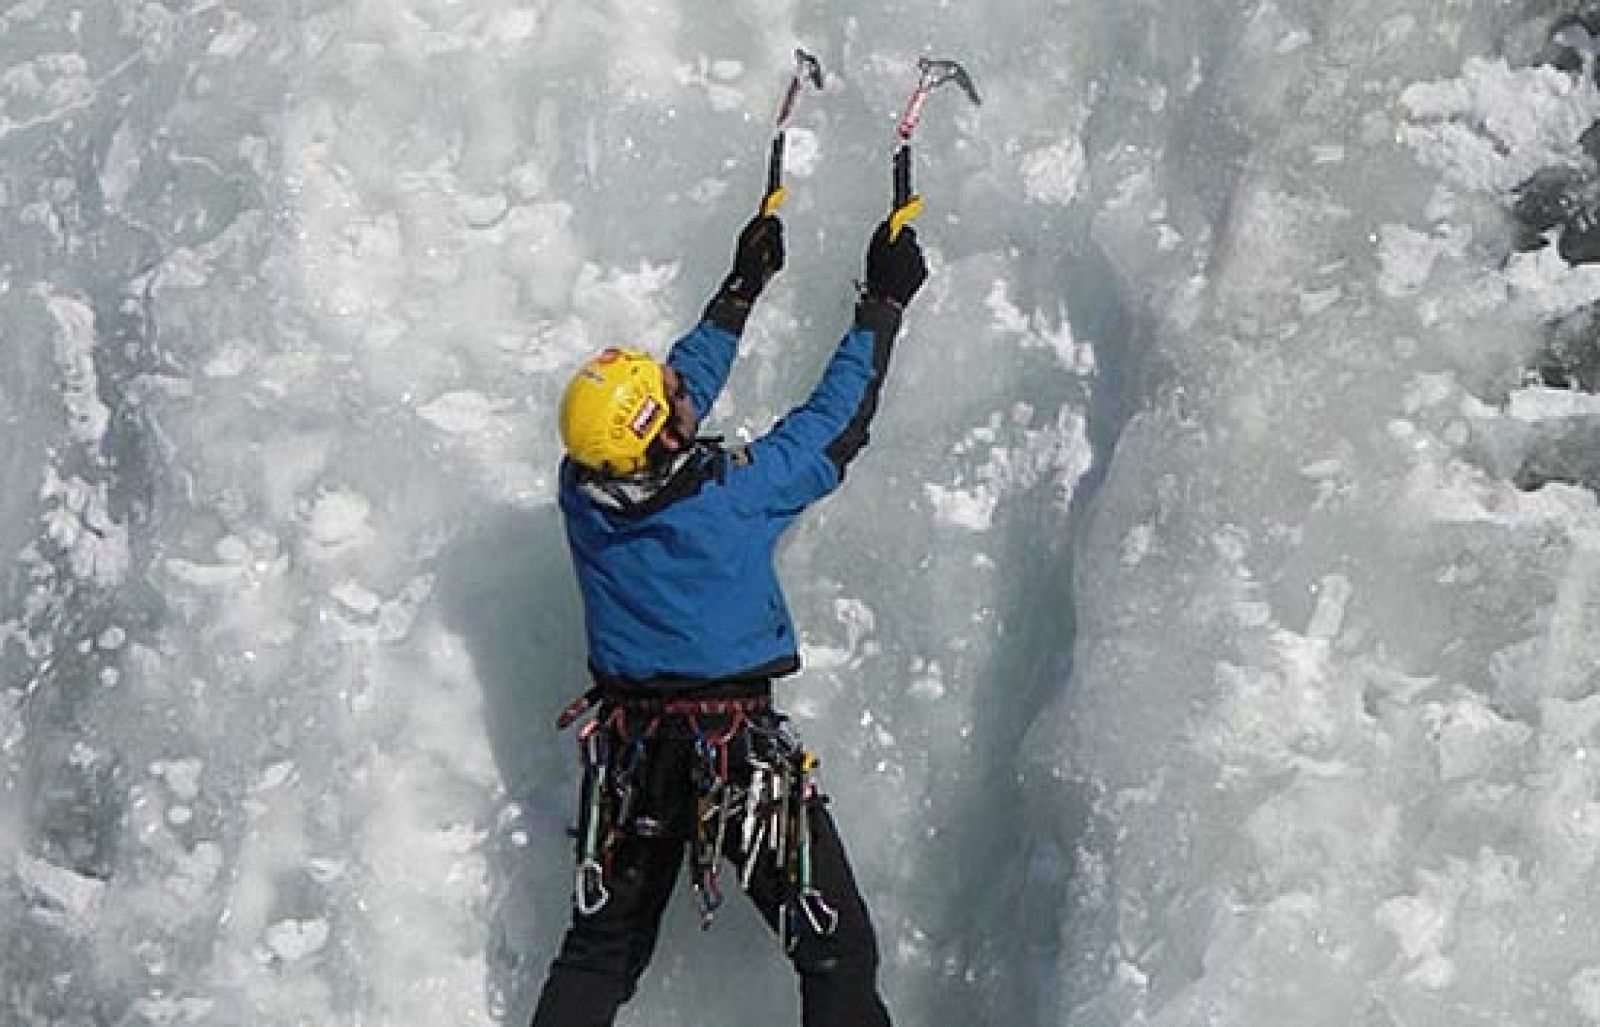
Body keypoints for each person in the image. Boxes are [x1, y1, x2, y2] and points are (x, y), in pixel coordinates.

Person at [532, 207, 927, 1027]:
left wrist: (741, 290)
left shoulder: (583, 491)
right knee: (835, 950)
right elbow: (832, 426)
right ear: (664, 432)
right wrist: (881, 309)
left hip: (632, 759)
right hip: (734, 757)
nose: (681, 388)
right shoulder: (732, 499)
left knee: (600, 955)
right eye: (671, 396)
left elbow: (671, 399)